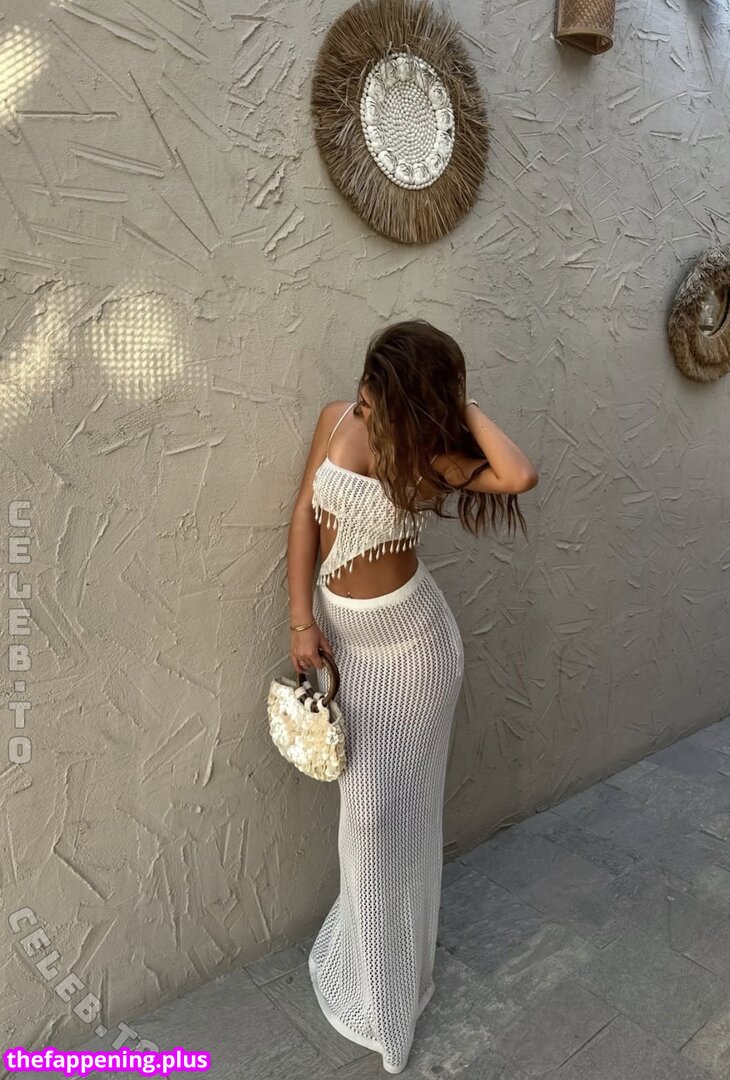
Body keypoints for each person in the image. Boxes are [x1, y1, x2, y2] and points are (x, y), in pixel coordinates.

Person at [285, 318, 538, 1074]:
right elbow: (302, 516)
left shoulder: (431, 454)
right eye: (364, 391)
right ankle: (370, 955)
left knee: (389, 821)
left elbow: (518, 475)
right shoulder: (336, 419)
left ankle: (390, 990)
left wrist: (460, 407)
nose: (363, 404)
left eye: (379, 397)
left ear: (412, 400)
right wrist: (300, 620)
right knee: (365, 822)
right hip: (346, 647)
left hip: (413, 656)